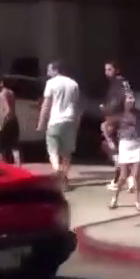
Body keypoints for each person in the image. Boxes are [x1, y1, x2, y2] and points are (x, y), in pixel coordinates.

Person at [103, 93, 140, 211]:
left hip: (136, 144)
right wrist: (109, 140)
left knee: (136, 175)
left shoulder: (138, 114)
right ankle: (115, 198)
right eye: (129, 98)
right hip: (125, 145)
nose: (132, 100)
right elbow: (104, 125)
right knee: (123, 176)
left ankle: (138, 202)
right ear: (124, 101)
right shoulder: (119, 115)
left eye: (133, 97)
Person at [38, 61, 80, 190]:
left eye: (49, 69)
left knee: (53, 150)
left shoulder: (51, 83)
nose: (47, 72)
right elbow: (76, 105)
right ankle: (64, 177)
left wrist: (41, 123)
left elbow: (46, 104)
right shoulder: (73, 84)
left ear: (56, 70)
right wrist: (76, 122)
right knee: (66, 153)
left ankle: (57, 170)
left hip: (55, 121)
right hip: (70, 120)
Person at [101, 61, 137, 193]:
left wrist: (106, 109)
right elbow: (130, 98)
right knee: (121, 149)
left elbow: (117, 101)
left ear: (117, 70)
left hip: (117, 118)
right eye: (106, 70)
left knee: (112, 147)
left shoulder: (117, 84)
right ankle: (128, 179)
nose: (106, 73)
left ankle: (120, 178)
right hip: (124, 119)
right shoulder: (124, 83)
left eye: (109, 69)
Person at [0, 77, 21, 165]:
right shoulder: (10, 92)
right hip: (14, 121)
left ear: (1, 83)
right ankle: (18, 165)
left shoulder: (2, 94)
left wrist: (1, 123)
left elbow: (7, 109)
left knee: (0, 146)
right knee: (14, 145)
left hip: (6, 122)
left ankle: (2, 166)